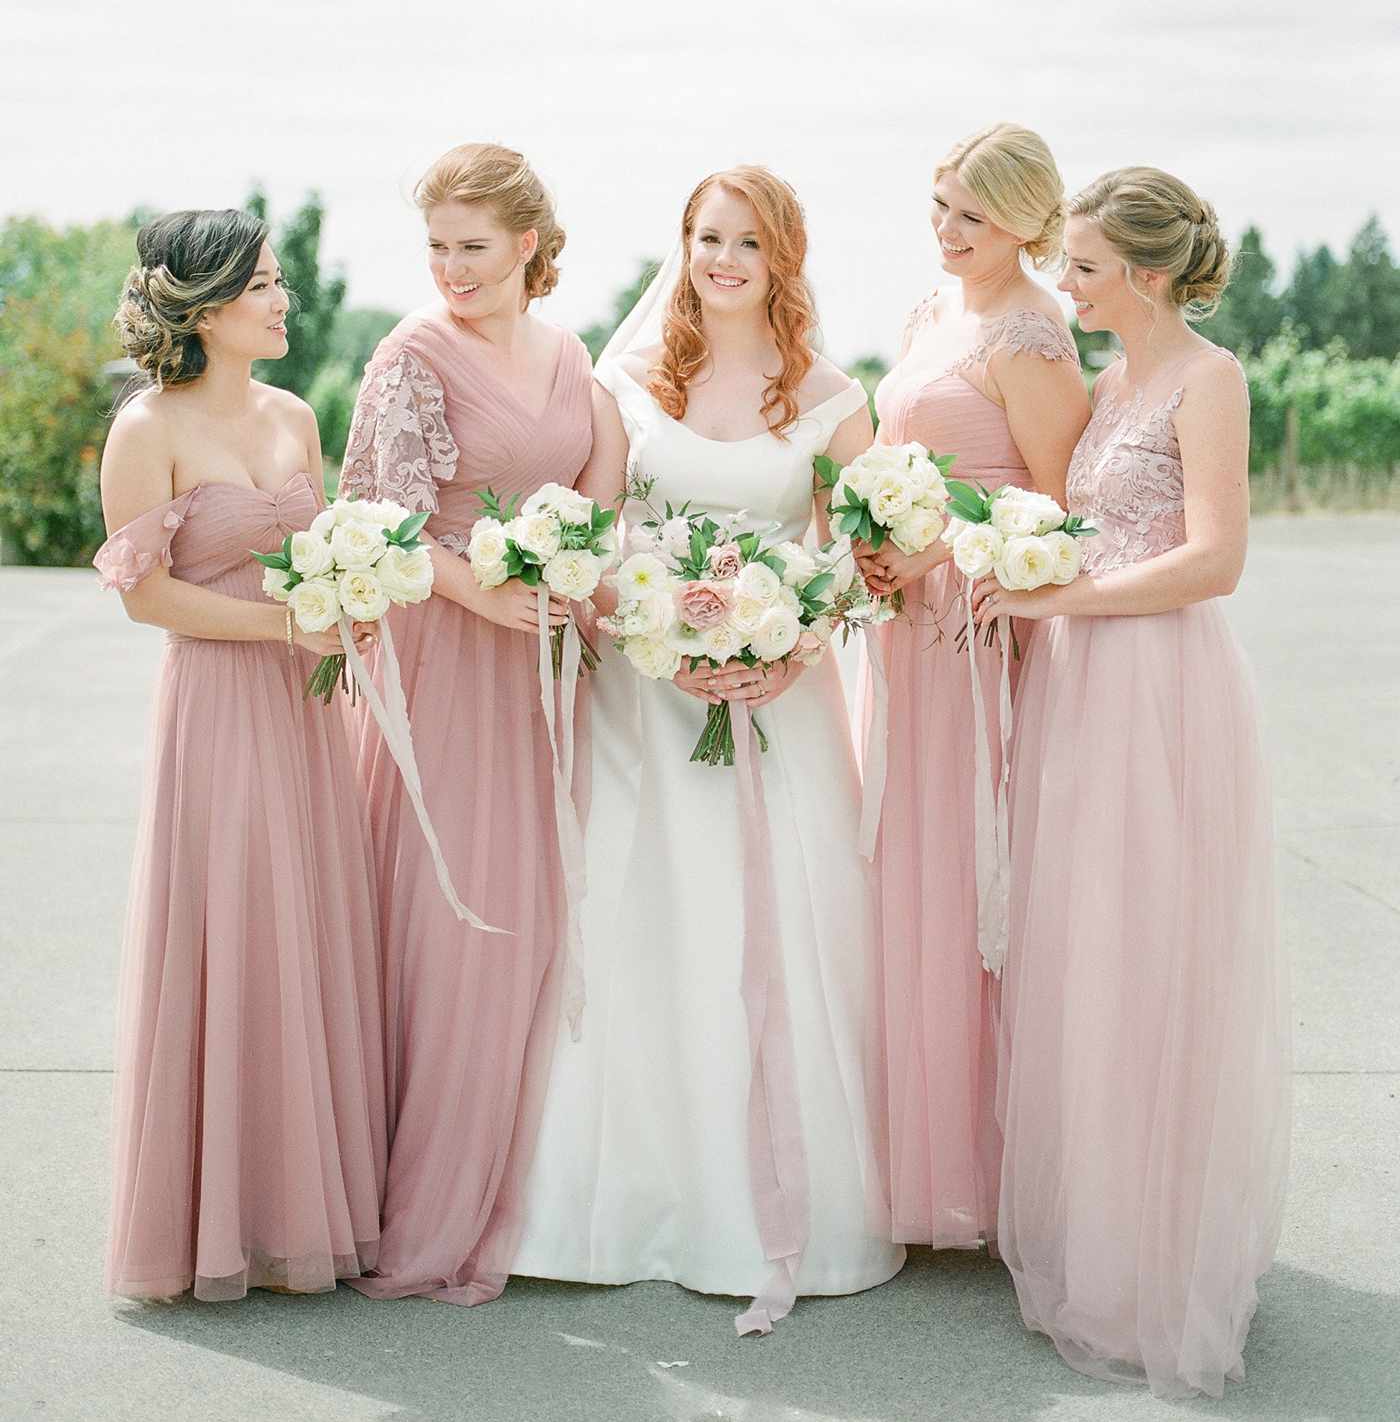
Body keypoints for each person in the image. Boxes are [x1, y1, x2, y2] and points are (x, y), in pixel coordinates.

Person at [513, 165, 904, 1332]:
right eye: (702, 237)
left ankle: (771, 1205)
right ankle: (623, 1206)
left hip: (779, 702)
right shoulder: (624, 382)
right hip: (647, 699)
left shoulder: (836, 397)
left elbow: (849, 558)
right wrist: (658, 636)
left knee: (771, 923)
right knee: (650, 923)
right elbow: (592, 533)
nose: (720, 259)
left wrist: (787, 651)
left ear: (783, 254)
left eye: (743, 241)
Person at [975, 167, 1290, 1397]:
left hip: (1159, 684)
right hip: (1079, 683)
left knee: (1155, 953)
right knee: (1082, 951)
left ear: (1147, 274)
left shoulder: (1207, 382)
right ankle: (1096, 1235)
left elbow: (1212, 560)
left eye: (1087, 266)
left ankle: (1161, 1254)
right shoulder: (1106, 382)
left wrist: (1065, 597)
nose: (1068, 282)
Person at [96, 208, 385, 1300]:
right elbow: (145, 596)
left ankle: (305, 1206)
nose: (282, 300)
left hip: (309, 707)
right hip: (219, 705)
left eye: (278, 284)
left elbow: (316, 551)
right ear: (207, 305)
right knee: (230, 931)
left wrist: (349, 603)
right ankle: (214, 1226)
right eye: (262, 286)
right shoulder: (147, 426)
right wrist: (283, 628)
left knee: (303, 933)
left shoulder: (296, 415)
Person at [341, 142, 594, 1305]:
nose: (451, 268)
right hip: (450, 660)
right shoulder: (409, 355)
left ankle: (527, 1175)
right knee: (456, 921)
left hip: (544, 666)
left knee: (538, 913)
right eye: (437, 246)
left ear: (529, 244)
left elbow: (592, 495)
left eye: (474, 246)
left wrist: (575, 576)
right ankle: (418, 1194)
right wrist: (484, 590)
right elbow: (380, 519)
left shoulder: (569, 350)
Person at [855, 124, 1089, 1250]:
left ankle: (996, 1169)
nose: (947, 231)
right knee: (909, 871)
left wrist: (938, 550)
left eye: (972, 216)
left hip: (977, 637)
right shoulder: (924, 317)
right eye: (940, 206)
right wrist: (871, 537)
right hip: (905, 632)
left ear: (1028, 225)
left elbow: (1057, 512)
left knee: (974, 874)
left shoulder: (1032, 336)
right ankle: (920, 1156)